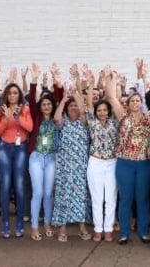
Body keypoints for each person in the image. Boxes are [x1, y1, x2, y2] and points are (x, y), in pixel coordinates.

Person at [106, 68, 150, 245]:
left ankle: (143, 231)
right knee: (125, 198)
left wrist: (142, 75)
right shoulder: (122, 115)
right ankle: (125, 232)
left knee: (142, 198)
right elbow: (111, 97)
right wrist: (111, 78)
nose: (135, 102)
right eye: (132, 100)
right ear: (128, 103)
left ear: (141, 103)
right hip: (125, 163)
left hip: (143, 163)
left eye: (138, 100)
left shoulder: (148, 117)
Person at [51, 66, 91, 242]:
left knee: (81, 195)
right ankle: (62, 229)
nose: (74, 108)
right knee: (63, 194)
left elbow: (84, 110)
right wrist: (65, 98)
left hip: (81, 165)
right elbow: (56, 118)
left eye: (76, 106)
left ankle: (82, 227)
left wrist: (76, 94)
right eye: (71, 107)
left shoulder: (83, 122)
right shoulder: (64, 122)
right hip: (65, 165)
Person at [0, 83, 33, 239]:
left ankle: (19, 224)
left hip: (20, 148)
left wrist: (17, 118)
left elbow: (29, 128)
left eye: (15, 93)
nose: (12, 96)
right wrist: (7, 118)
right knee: (5, 186)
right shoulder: (0, 111)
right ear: (6, 95)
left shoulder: (25, 109)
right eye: (9, 93)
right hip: (4, 148)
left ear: (19, 95)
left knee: (19, 186)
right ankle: (5, 224)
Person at [85, 68, 119, 242]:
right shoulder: (92, 121)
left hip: (112, 162)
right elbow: (90, 103)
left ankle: (108, 229)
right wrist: (91, 84)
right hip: (96, 162)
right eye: (100, 111)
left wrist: (110, 80)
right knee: (97, 197)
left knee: (111, 197)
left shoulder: (114, 122)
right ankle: (98, 229)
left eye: (105, 110)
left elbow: (113, 98)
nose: (102, 113)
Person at [27, 64, 59, 241]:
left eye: (49, 104)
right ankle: (33, 226)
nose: (46, 106)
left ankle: (47, 222)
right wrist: (34, 80)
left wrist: (56, 80)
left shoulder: (57, 120)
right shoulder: (36, 117)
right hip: (37, 158)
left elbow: (60, 97)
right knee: (37, 192)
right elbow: (32, 100)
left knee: (48, 193)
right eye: (43, 104)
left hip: (52, 158)